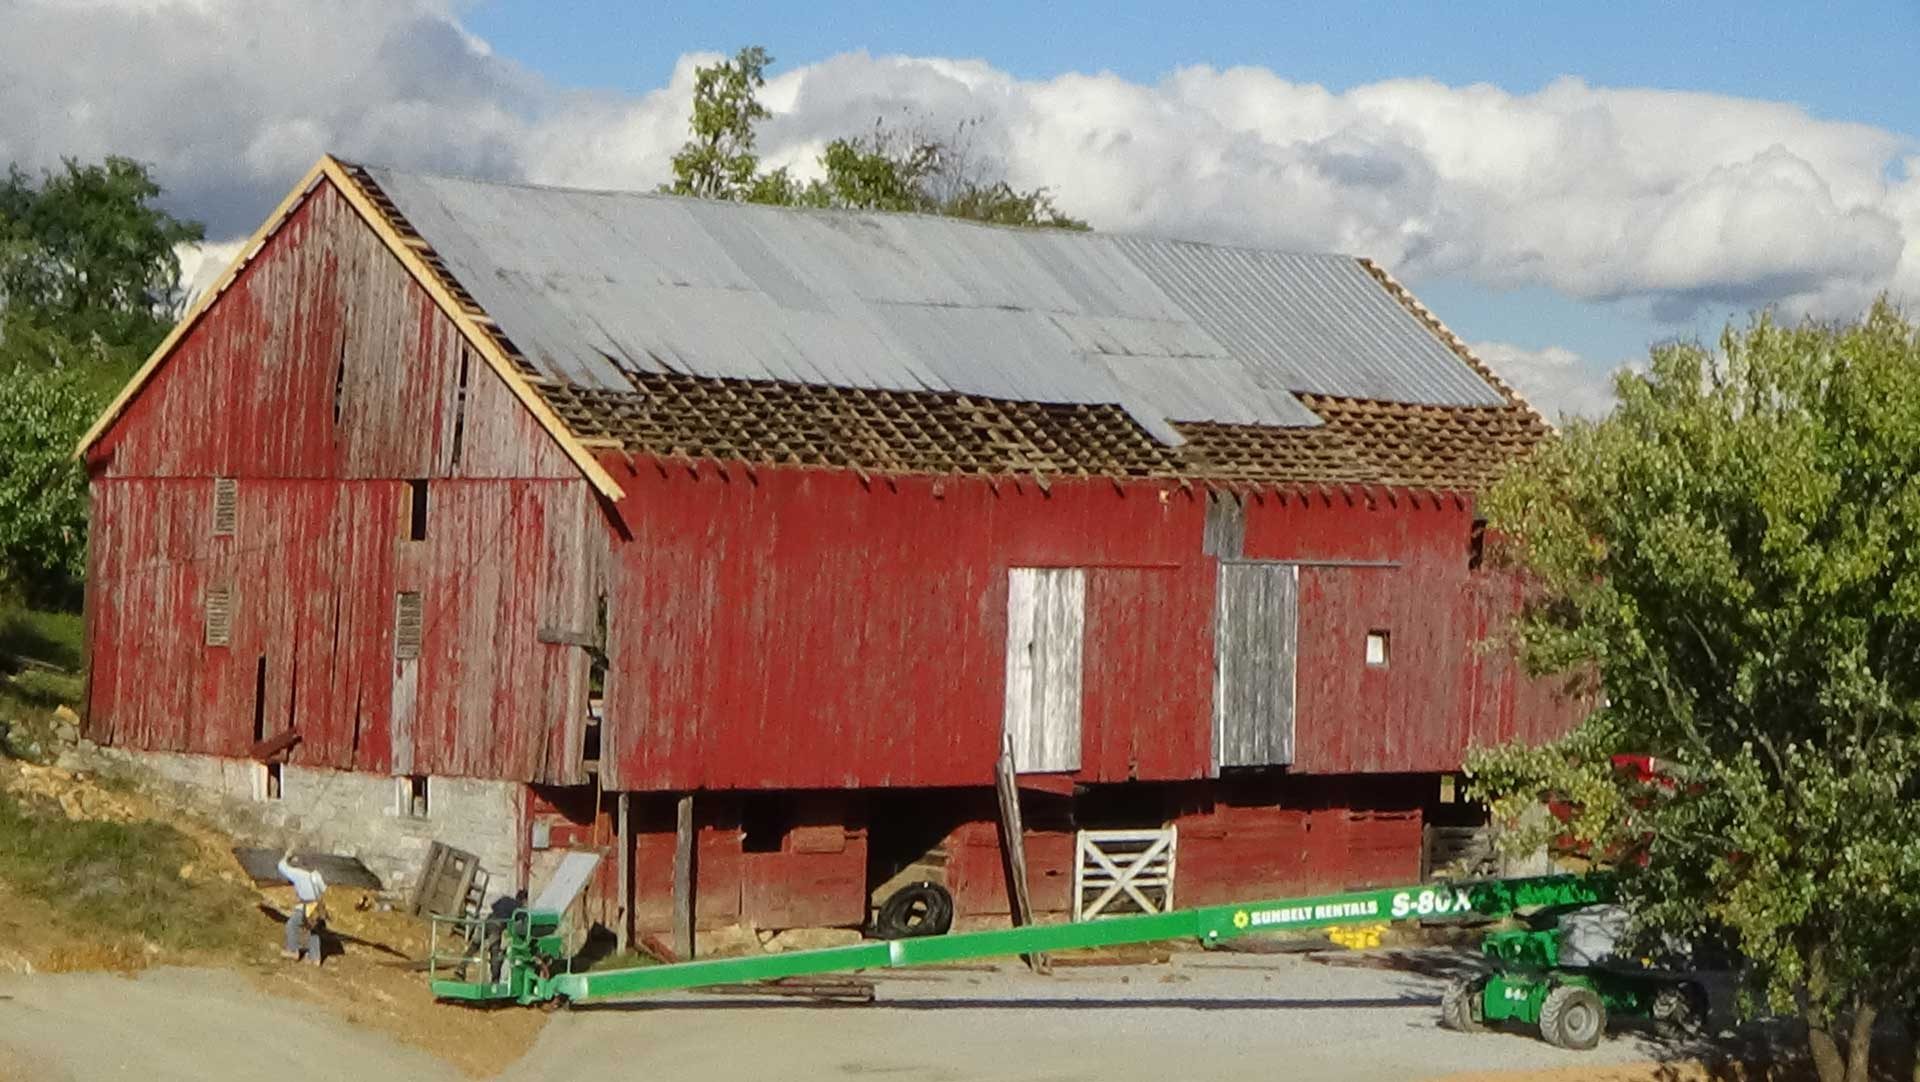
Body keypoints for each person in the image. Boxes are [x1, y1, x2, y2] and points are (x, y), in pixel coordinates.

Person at [277, 848, 328, 965]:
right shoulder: (316, 874)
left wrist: (286, 856)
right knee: (314, 930)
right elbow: (323, 889)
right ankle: (315, 958)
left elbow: (281, 866)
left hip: (306, 906)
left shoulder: (298, 874)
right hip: (318, 907)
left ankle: (292, 950)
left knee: (291, 925)